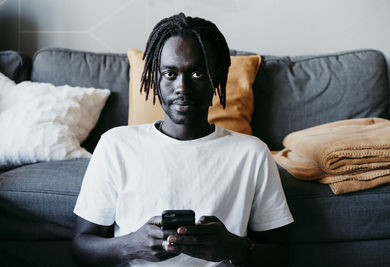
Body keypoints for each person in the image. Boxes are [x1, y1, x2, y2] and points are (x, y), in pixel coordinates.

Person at [72, 13, 293, 267]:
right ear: (155, 79)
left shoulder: (252, 153)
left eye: (198, 73)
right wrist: (131, 245)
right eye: (169, 74)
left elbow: (280, 254)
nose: (183, 88)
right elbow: (81, 247)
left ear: (217, 79)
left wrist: (234, 247)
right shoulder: (116, 145)